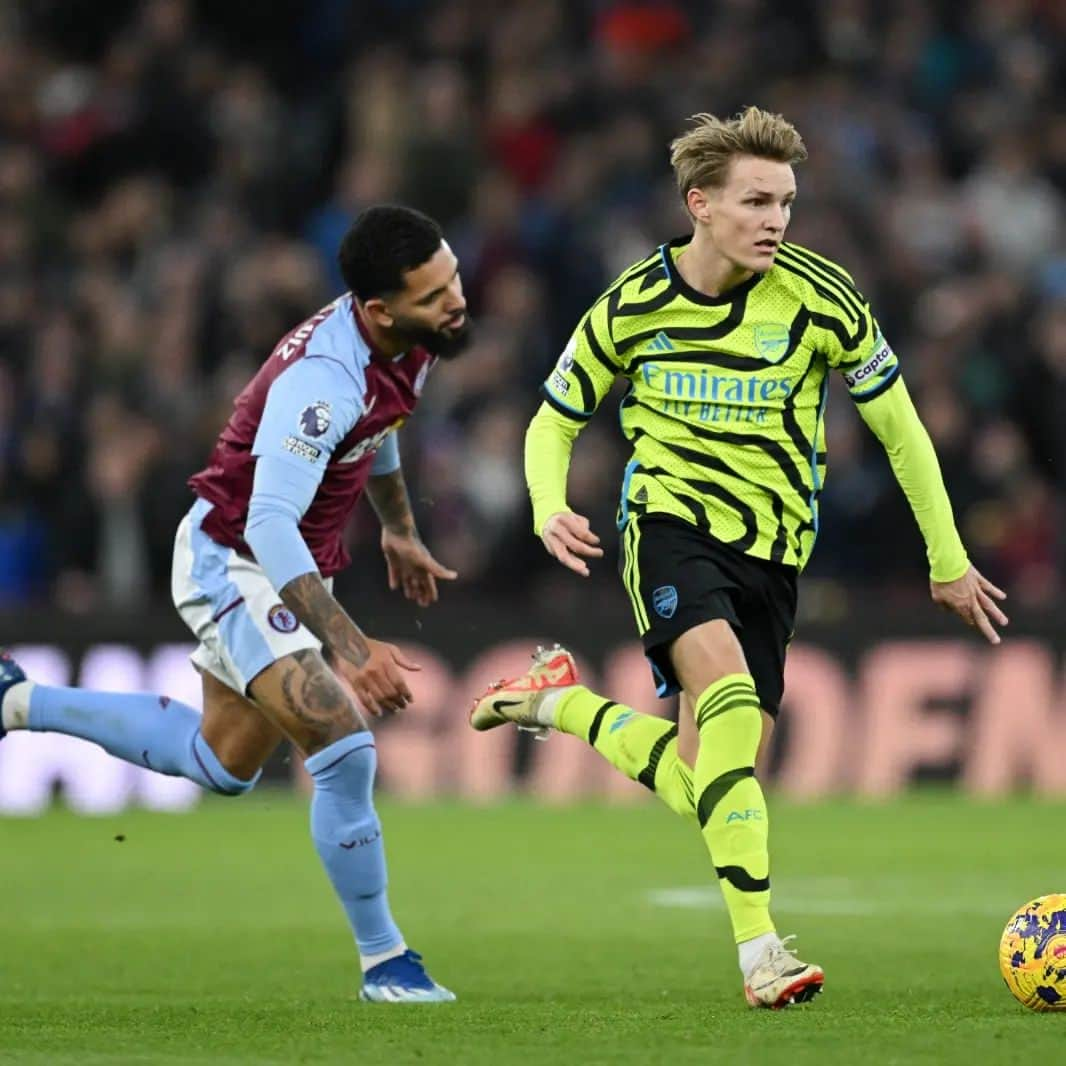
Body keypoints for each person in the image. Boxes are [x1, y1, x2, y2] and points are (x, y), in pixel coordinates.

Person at [469, 109, 1009, 1008]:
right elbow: (553, 420)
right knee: (723, 700)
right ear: (701, 205)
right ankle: (762, 954)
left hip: (775, 554)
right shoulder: (632, 304)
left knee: (708, 784)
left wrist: (947, 559)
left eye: (787, 202)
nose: (776, 220)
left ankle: (557, 702)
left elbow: (902, 430)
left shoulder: (822, 298)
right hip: (668, 527)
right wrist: (547, 504)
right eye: (757, 201)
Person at [0, 204, 468, 1003]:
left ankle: (17, 700)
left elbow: (384, 421)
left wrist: (397, 526)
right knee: (341, 738)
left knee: (222, 765)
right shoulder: (319, 383)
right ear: (378, 308)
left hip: (276, 560)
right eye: (437, 294)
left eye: (454, 277)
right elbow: (269, 526)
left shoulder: (410, 339)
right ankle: (385, 961)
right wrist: (353, 651)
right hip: (235, 559)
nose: (458, 300)